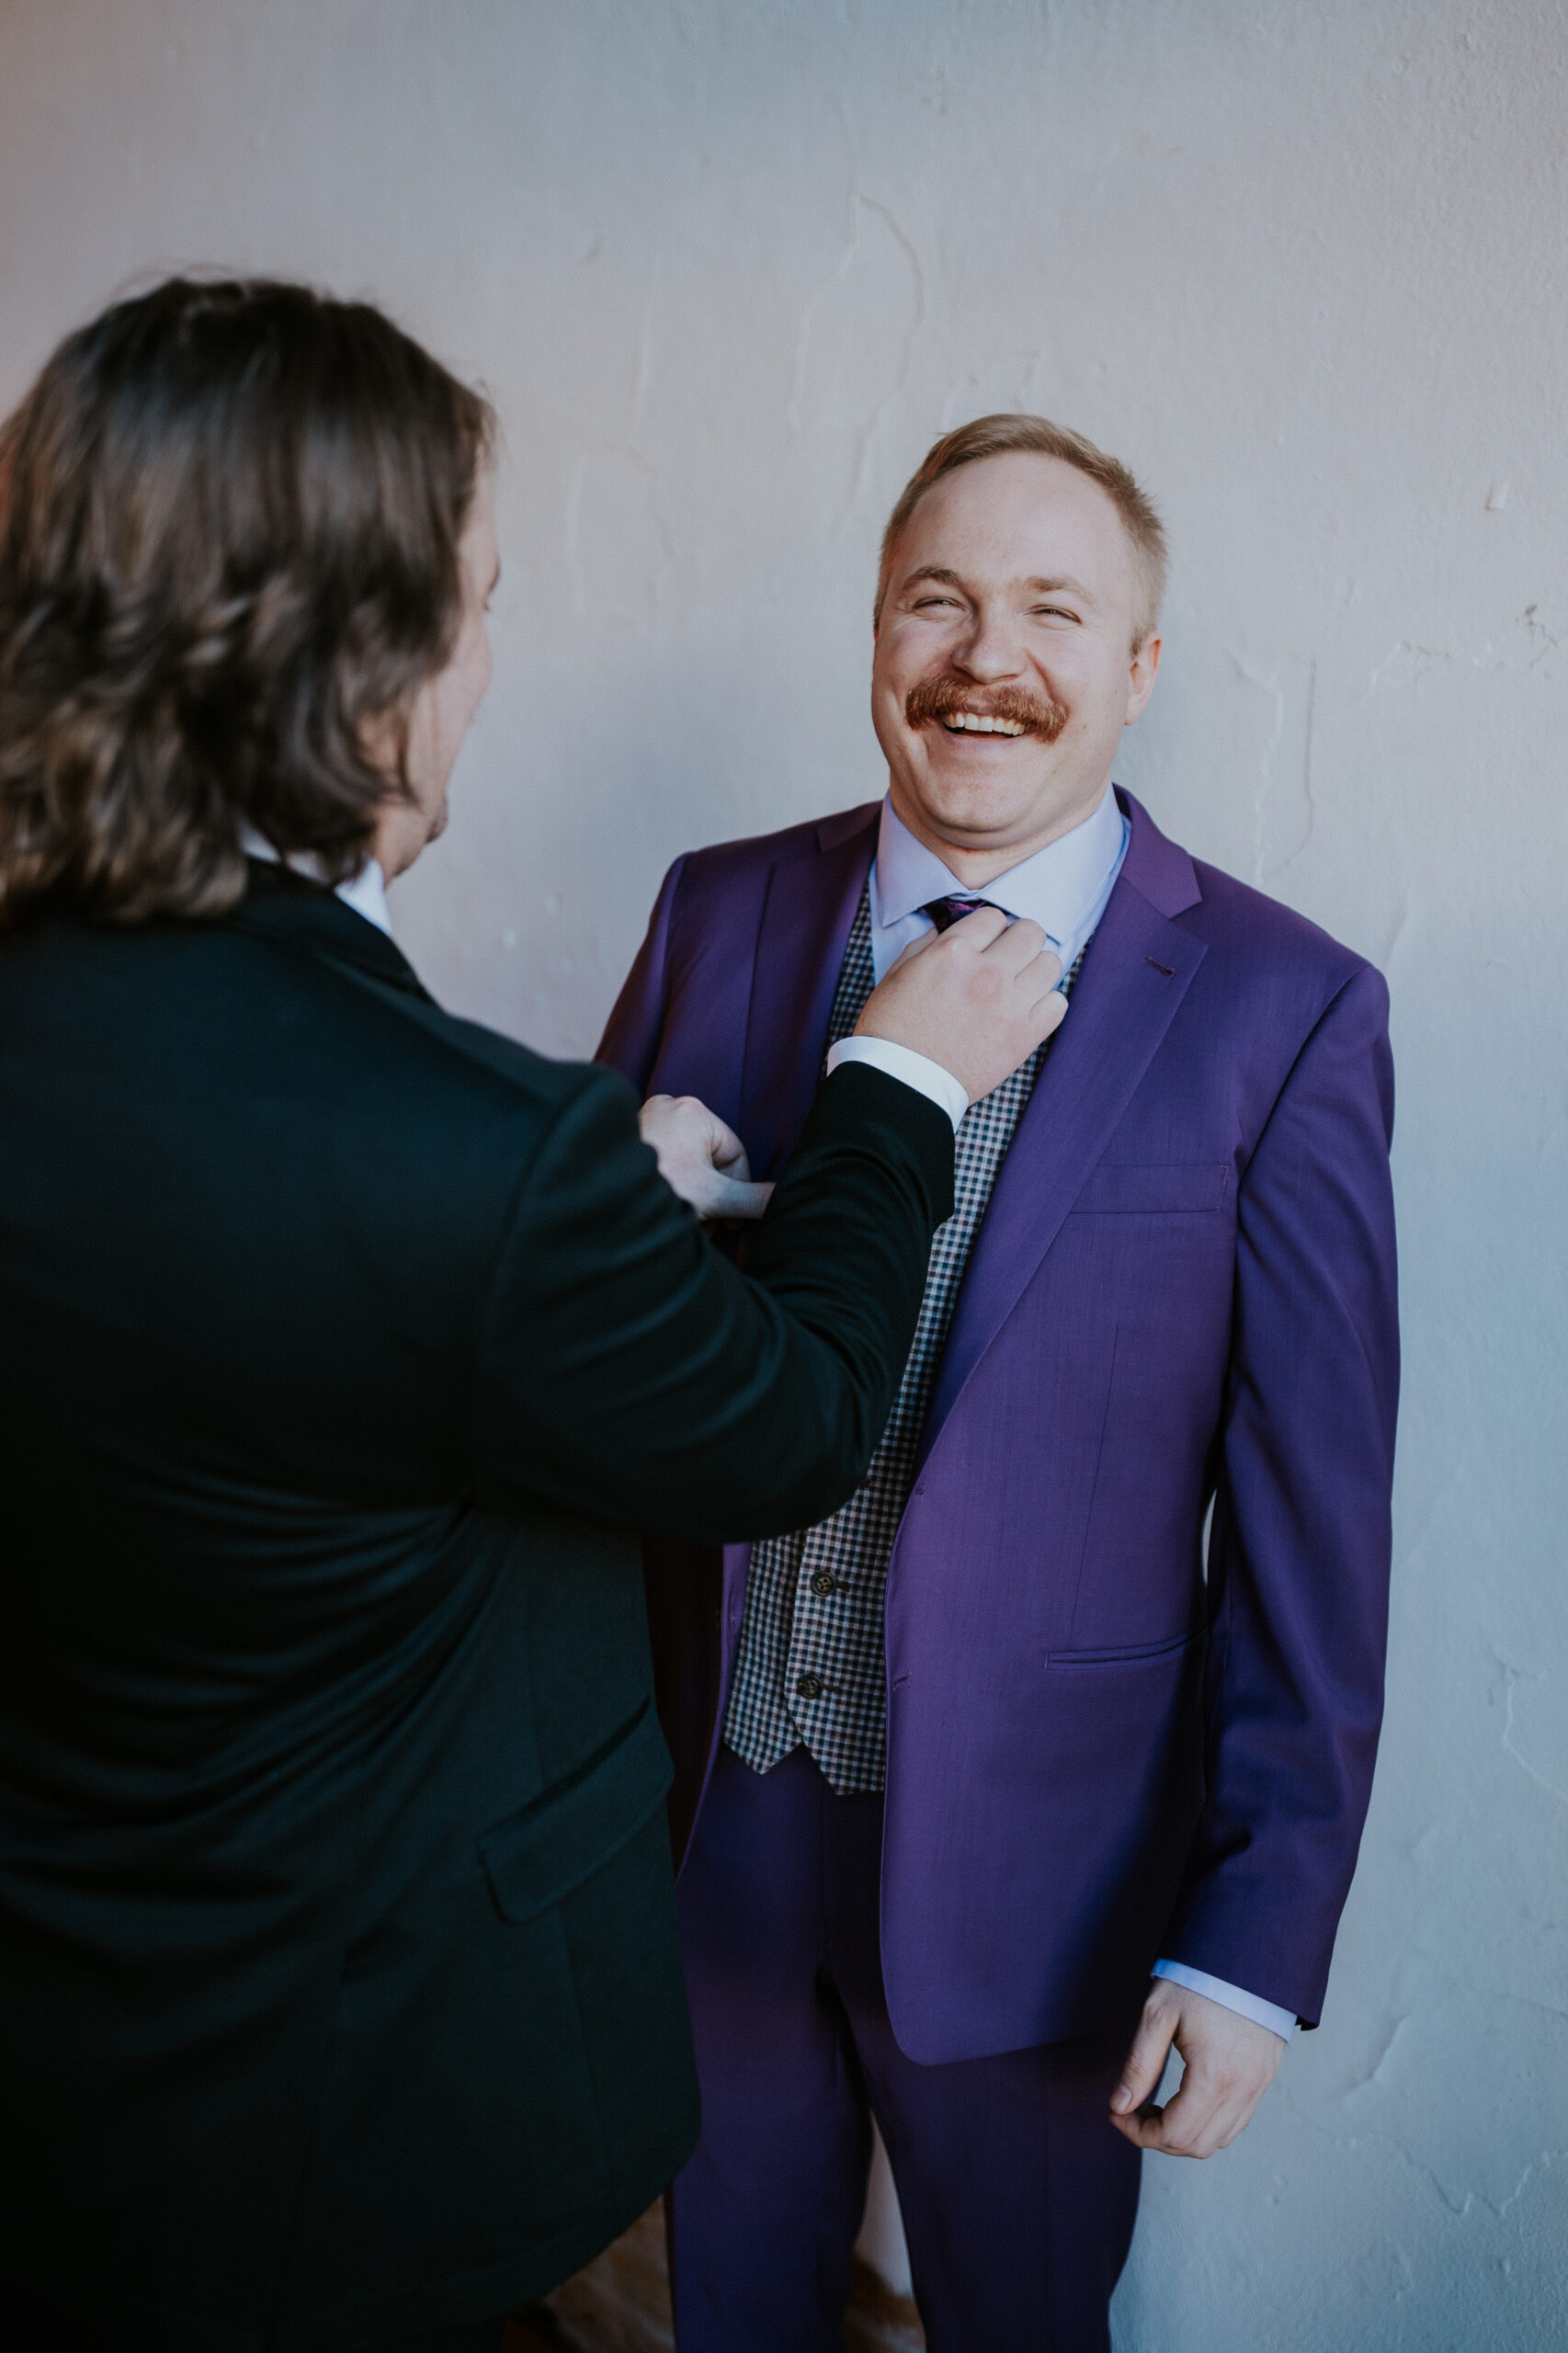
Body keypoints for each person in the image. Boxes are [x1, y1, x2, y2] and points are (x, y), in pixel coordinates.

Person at [0, 286, 1065, 2353]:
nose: (492, 663)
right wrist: (896, 1089)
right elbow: (791, 1418)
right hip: (349, 2122)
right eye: (479, 601)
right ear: (361, 648)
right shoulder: (475, 1159)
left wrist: (569, 1223)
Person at [598, 413, 1401, 2352]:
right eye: (937, 599)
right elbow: (596, 1369)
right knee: (728, 2317)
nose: (985, 654)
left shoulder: (1283, 1008)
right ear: (875, 634)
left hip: (1053, 1872)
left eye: (1053, 607)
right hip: (709, 1819)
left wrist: (1256, 1936)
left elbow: (1311, 1522)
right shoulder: (722, 904)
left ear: (1135, 670)